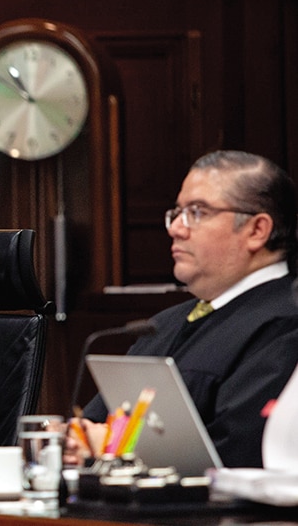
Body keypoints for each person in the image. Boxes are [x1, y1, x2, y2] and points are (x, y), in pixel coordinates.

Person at [80, 150, 298, 468]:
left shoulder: (285, 322)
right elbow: (93, 425)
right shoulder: (161, 325)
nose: (176, 229)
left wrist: (117, 448)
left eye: (197, 212)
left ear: (257, 230)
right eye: (177, 212)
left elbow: (240, 454)